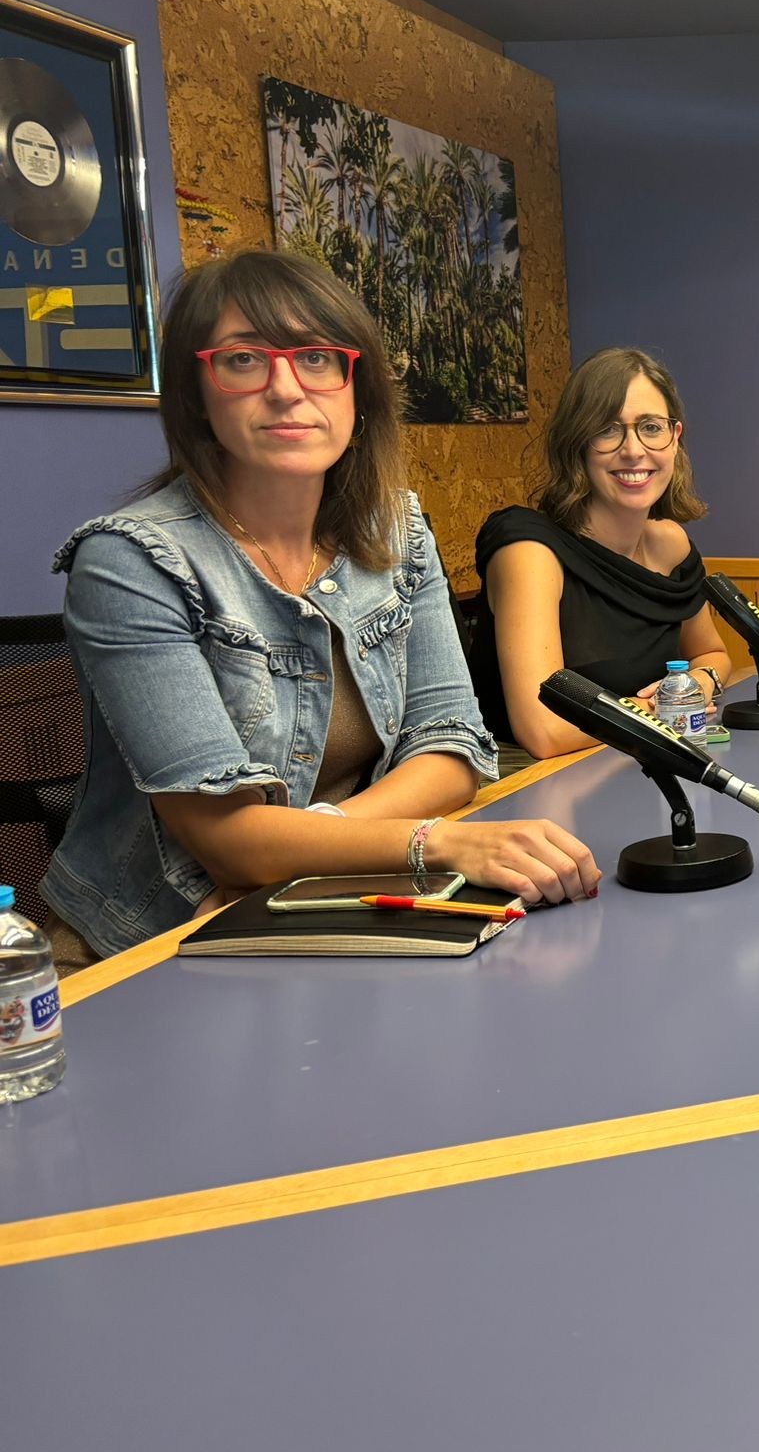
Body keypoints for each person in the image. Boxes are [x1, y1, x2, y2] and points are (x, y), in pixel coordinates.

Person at [41, 250, 601, 971]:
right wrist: (434, 841)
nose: (286, 389)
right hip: (150, 947)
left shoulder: (397, 529)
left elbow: (454, 749)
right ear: (197, 395)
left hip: (329, 898)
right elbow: (228, 843)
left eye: (315, 358)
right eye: (244, 360)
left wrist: (305, 842)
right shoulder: (128, 561)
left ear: (355, 390)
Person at [472, 347, 732, 762]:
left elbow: (712, 655)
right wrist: (664, 710)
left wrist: (700, 684)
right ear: (577, 443)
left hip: (637, 757)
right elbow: (544, 730)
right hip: (533, 779)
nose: (633, 450)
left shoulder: (672, 544)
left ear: (675, 438)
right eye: (608, 429)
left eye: (651, 427)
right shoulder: (529, 551)